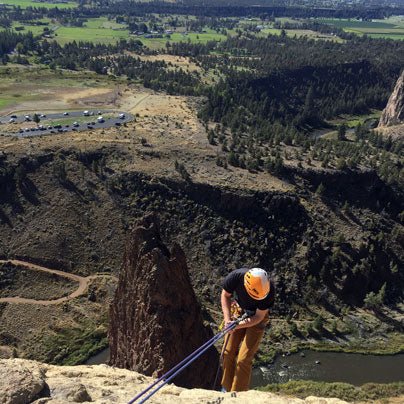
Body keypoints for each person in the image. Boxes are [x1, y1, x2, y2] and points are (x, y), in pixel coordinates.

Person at [220, 267, 275, 392]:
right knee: (227, 352)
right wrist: (228, 319)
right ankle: (226, 388)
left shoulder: (269, 290)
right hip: (239, 311)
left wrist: (237, 325)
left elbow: (258, 317)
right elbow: (225, 295)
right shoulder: (236, 276)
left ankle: (238, 393)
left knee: (244, 359)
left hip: (256, 319)